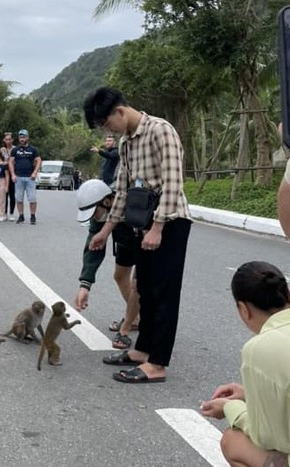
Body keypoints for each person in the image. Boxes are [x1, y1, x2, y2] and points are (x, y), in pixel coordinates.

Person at [84, 87, 192, 384]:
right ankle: (142, 351)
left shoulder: (161, 131)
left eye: (106, 124)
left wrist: (158, 227)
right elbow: (122, 192)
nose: (107, 130)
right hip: (141, 224)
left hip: (169, 223)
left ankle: (158, 363)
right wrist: (105, 231)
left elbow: (173, 184)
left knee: (164, 294)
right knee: (143, 288)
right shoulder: (125, 144)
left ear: (120, 111)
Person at [200, 261, 290, 467]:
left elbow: (266, 437)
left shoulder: (259, 348)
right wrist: (251, 394)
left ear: (243, 309)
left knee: (233, 441)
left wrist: (231, 407)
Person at [74, 179, 140, 350]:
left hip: (144, 240)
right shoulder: (100, 216)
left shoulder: (130, 203)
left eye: (94, 212)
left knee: (137, 285)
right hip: (125, 242)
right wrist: (85, 285)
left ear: (107, 201)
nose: (95, 218)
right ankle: (137, 317)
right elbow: (93, 247)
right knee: (120, 276)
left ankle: (127, 327)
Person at [9, 129, 41, 225]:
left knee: (32, 198)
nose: (22, 139)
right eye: (20, 137)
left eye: (23, 137)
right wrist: (13, 174)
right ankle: (21, 216)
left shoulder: (33, 150)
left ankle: (32, 216)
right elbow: (11, 162)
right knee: (19, 198)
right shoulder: (15, 150)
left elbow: (38, 160)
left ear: (27, 137)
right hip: (18, 177)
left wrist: (35, 172)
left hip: (30, 177)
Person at [0, 132, 17, 221]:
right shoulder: (2, 150)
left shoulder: (15, 149)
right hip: (3, 173)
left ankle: (12, 213)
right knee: (4, 194)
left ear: (12, 140)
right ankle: (4, 212)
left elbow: (15, 161)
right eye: (6, 139)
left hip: (12, 173)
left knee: (12, 194)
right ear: (4, 140)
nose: (8, 141)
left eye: (9, 139)